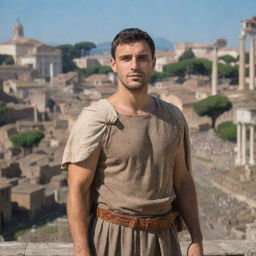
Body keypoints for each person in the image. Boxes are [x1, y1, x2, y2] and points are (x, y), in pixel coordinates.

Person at [62, 28, 203, 256]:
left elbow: (183, 182)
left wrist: (197, 239)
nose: (134, 65)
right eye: (126, 58)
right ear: (113, 64)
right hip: (110, 239)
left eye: (142, 58)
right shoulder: (96, 120)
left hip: (163, 240)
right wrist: (81, 250)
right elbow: (76, 189)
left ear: (153, 63)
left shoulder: (173, 117)